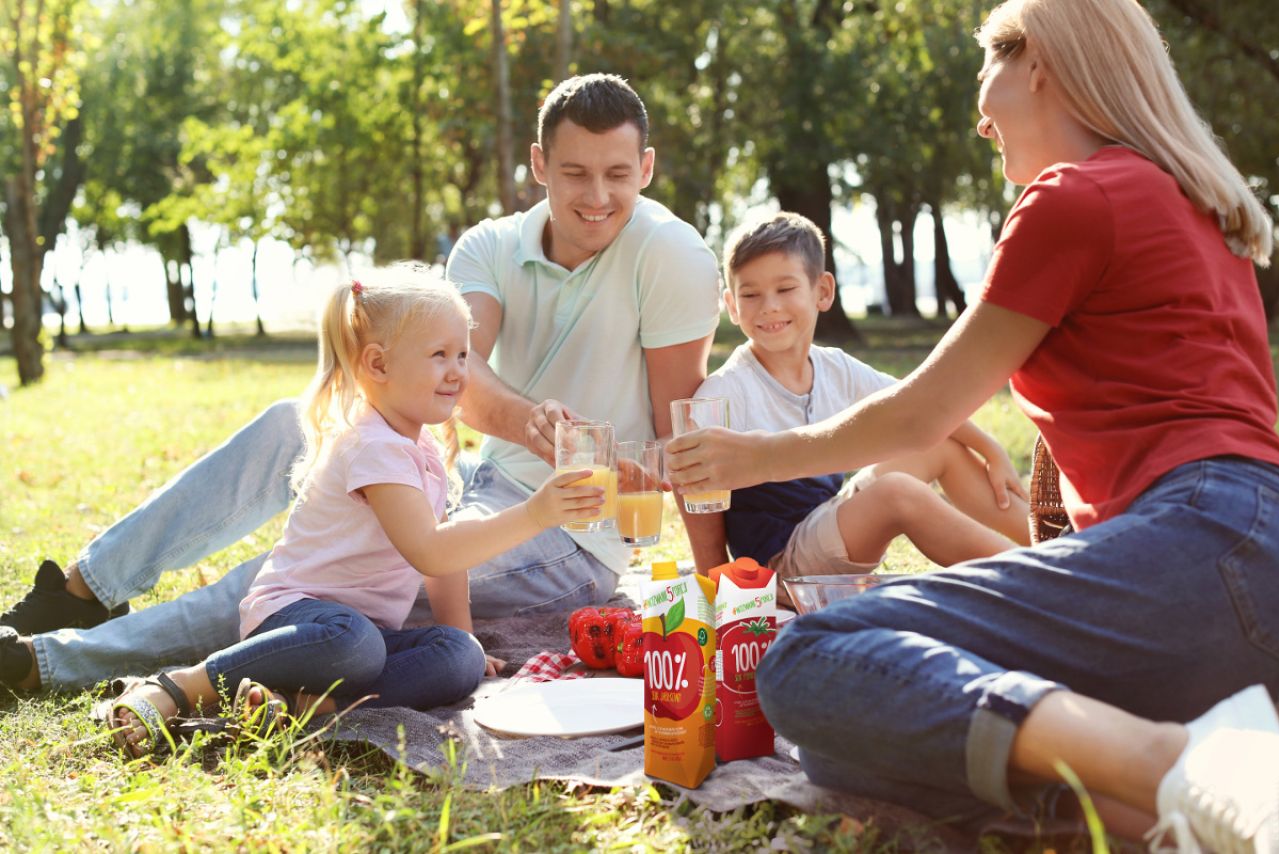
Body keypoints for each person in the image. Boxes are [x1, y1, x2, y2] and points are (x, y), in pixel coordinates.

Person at [666, 0, 1279, 848]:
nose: (979, 114)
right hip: (1240, 569)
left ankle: (1177, 764)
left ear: (1040, 65)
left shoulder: (1075, 195)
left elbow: (923, 411)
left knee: (812, 661)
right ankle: (1189, 807)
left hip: (1203, 544)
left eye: (985, 70)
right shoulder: (1193, 201)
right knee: (865, 743)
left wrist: (753, 454)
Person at [0, 72, 720, 694]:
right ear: (539, 163)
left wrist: (716, 585)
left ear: (646, 168)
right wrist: (533, 422)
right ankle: (82, 590)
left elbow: (682, 427)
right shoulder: (491, 247)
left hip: (571, 531)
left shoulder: (670, 255)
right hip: (474, 477)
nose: (597, 196)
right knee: (296, 422)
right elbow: (460, 376)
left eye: (617, 175)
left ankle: (54, 661)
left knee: (306, 579)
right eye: (575, 173)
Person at [105, 268, 605, 757]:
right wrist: (535, 513)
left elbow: (447, 555)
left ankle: (308, 704)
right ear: (378, 365)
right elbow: (430, 551)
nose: (458, 371)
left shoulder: (421, 446)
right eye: (438, 355)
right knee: (354, 644)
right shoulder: (372, 445)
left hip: (366, 633)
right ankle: (185, 685)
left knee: (457, 660)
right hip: (296, 620)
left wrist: (465, 638)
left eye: (462, 354)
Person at [684, 211, 1030, 586]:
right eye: (750, 295)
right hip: (779, 564)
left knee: (939, 444)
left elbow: (916, 404)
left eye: (785, 289)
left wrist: (991, 448)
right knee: (896, 493)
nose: (769, 306)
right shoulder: (729, 389)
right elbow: (687, 472)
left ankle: (1057, 546)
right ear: (732, 306)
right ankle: (1037, 576)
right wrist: (715, 574)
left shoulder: (835, 367)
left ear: (823, 291)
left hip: (827, 524)